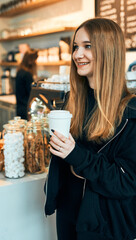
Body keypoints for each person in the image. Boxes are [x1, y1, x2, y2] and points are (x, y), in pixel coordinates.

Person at [44, 18, 136, 240]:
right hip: (68, 213)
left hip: (104, 224)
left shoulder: (129, 113)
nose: (77, 54)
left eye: (87, 46)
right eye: (76, 46)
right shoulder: (71, 102)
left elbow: (126, 182)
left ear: (109, 51)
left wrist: (75, 155)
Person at [15, 49, 38, 120]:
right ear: (31, 61)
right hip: (26, 108)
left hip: (19, 107)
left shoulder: (20, 71)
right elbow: (31, 92)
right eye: (35, 60)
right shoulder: (27, 74)